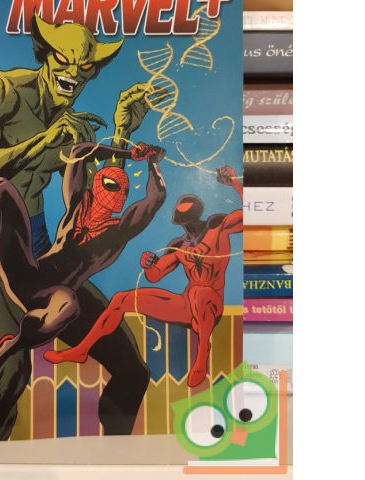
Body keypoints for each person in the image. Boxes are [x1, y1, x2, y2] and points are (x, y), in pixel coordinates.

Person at [0, 14, 152, 439]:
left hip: (42, 263)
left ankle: (114, 459)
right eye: (63, 60)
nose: (73, 73)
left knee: (133, 371)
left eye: (85, 66)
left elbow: (92, 208)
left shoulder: (72, 121)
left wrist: (123, 132)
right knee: (10, 371)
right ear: (44, 55)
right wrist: (41, 141)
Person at [0, 141, 167, 390]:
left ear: (123, 200)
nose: (113, 191)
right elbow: (79, 152)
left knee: (69, 304)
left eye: (120, 189)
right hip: (27, 274)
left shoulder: (119, 231)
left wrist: (152, 163)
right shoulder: (76, 204)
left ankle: (7, 349)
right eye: (108, 183)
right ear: (95, 185)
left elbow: (156, 197)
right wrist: (129, 153)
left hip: (54, 298)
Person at [45, 166, 242, 388]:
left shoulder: (217, 225)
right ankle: (81, 350)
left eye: (190, 213)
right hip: (187, 305)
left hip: (211, 303)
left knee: (200, 293)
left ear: (198, 212)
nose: (188, 220)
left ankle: (203, 352)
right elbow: (155, 276)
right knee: (121, 299)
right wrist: (148, 263)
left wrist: (235, 184)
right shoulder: (178, 245)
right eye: (183, 215)